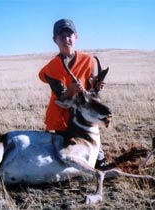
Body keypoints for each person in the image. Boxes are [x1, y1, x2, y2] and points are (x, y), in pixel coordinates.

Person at [38, 19, 106, 168]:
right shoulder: (52, 67)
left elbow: (90, 90)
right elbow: (60, 96)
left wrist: (96, 87)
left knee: (98, 162)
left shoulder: (89, 61)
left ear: (76, 36)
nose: (66, 39)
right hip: (61, 121)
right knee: (65, 160)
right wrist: (71, 90)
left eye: (69, 35)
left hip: (83, 118)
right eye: (61, 36)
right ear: (54, 40)